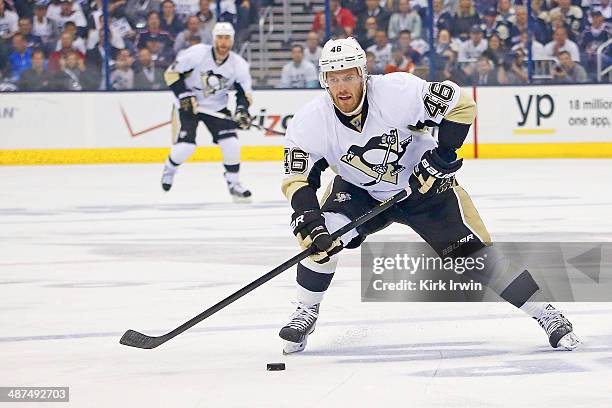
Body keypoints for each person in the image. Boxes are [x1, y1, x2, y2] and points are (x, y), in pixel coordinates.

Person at [278, 37, 580, 354]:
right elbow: (298, 179)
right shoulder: (311, 120)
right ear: (324, 80)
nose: (342, 86)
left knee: (476, 257)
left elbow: (462, 104)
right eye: (334, 77)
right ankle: (306, 310)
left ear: (364, 74)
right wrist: (309, 220)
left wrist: (442, 156)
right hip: (359, 191)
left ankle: (546, 312)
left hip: (425, 189)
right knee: (319, 235)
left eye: (349, 75)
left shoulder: (397, 92)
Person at [161, 22, 253, 202]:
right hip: (189, 106)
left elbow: (245, 94)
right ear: (214, 39)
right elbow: (171, 74)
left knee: (232, 145)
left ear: (232, 40)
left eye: (227, 38)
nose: (223, 42)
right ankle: (169, 169)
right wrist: (184, 95)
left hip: (217, 107)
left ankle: (233, 183)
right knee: (186, 148)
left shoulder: (238, 64)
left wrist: (242, 110)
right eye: (220, 37)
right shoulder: (197, 53)